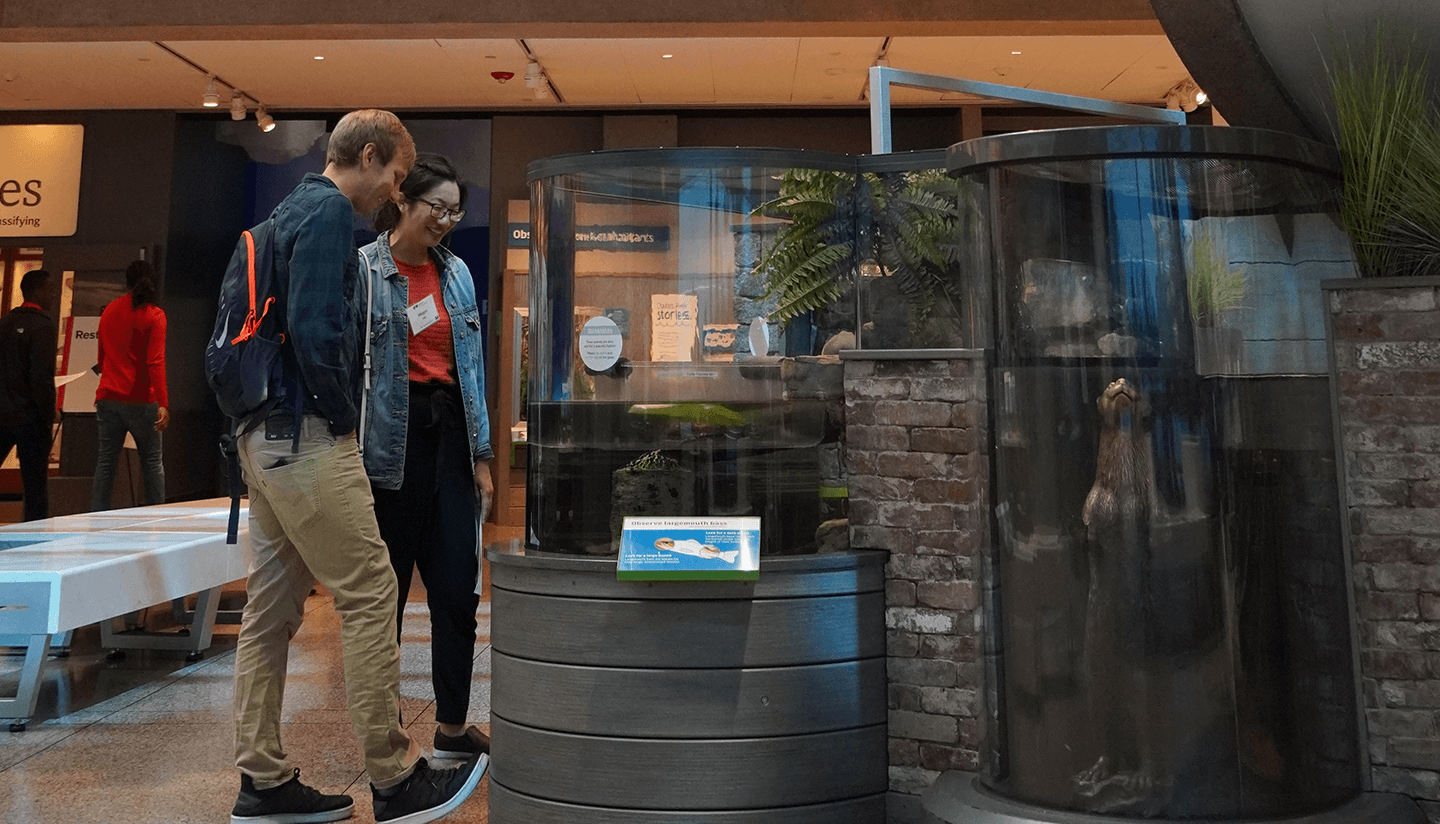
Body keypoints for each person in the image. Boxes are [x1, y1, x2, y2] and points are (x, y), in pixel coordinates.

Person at [228, 110, 486, 824]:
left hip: (260, 432)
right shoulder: (329, 218)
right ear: (369, 157)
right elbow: (316, 333)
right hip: (306, 435)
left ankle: (262, 778)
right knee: (374, 589)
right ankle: (396, 776)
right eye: (397, 179)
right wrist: (343, 422)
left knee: (271, 608)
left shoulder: (285, 212)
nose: (393, 195)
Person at [360, 154, 493, 762]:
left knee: (456, 593)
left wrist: (483, 456)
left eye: (454, 211)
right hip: (390, 445)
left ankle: (452, 726)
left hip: (451, 444)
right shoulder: (365, 271)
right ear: (404, 203)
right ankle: (383, 734)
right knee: (383, 597)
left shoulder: (457, 273)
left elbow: (471, 370)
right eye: (435, 208)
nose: (445, 221)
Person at [91, 259, 168, 510]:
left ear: (126, 282)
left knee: (105, 463)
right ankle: (157, 516)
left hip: (108, 398)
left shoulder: (109, 310)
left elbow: (101, 359)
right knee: (152, 461)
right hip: (141, 400)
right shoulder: (155, 316)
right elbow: (155, 362)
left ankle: (97, 517)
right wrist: (164, 403)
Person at [0, 269, 57, 521]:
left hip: (2, 414)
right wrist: (47, 415)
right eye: (51, 290)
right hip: (31, 420)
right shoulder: (43, 327)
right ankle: (33, 538)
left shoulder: (5, 323)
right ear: (38, 291)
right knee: (34, 485)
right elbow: (41, 378)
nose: (54, 296)